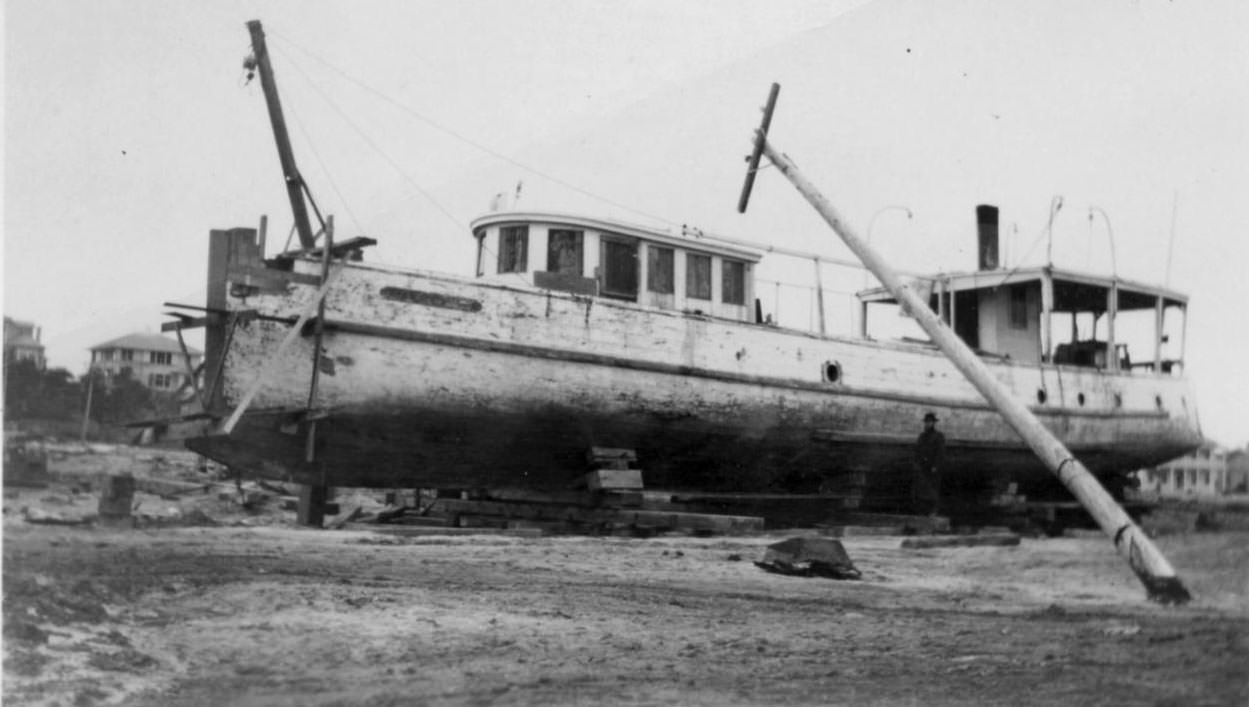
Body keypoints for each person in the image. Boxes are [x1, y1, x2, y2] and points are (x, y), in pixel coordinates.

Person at [912, 412, 945, 516]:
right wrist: (916, 464)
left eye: (930, 422)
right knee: (921, 490)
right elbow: (917, 451)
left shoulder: (938, 436)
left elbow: (940, 452)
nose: (927, 424)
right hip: (922, 467)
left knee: (933, 490)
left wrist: (936, 466)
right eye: (926, 422)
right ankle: (923, 511)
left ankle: (933, 511)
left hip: (932, 468)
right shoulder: (922, 436)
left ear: (933, 423)